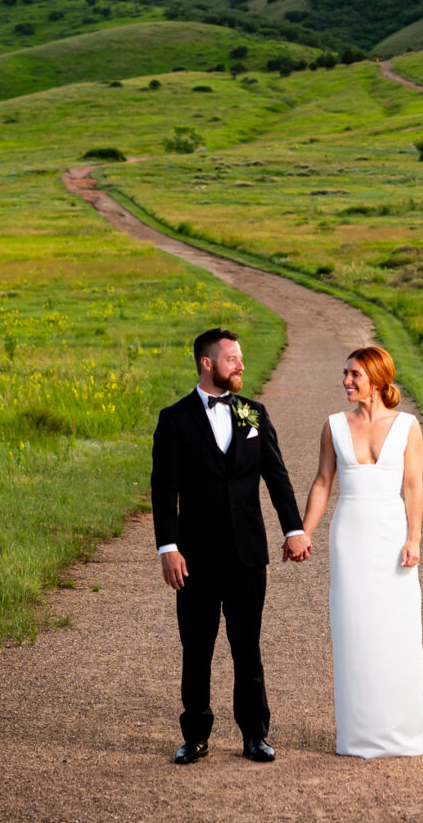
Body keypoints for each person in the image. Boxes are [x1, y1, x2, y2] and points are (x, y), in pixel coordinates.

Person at [150, 327, 309, 765]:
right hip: (194, 558)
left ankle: (255, 735)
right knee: (196, 649)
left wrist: (292, 529)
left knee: (248, 646)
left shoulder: (254, 414)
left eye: (240, 359)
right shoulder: (174, 419)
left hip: (247, 555)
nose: (240, 366)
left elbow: (276, 477)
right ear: (207, 363)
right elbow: (164, 490)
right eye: (232, 359)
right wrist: (169, 547)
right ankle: (196, 735)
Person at [299, 345, 423, 758]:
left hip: (393, 535)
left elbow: (413, 486)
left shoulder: (408, 426)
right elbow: (323, 482)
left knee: (397, 629)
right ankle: (358, 734)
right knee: (354, 628)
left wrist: (414, 538)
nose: (346, 382)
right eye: (345, 374)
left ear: (377, 377)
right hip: (350, 536)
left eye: (354, 375)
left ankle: (403, 733)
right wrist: (303, 532)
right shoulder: (334, 425)